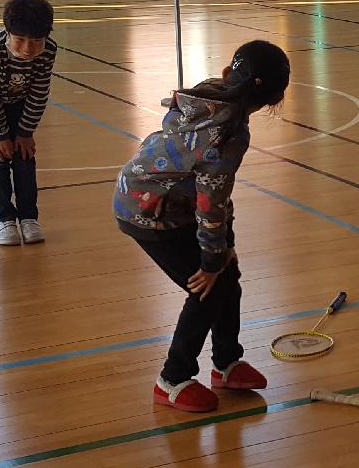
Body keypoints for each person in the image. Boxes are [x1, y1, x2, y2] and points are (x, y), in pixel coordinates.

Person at [114, 40, 291, 412]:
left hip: (158, 196)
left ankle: (226, 364)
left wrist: (224, 247)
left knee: (229, 273)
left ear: (229, 73)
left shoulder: (208, 94)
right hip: (148, 210)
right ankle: (172, 379)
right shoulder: (228, 134)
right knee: (208, 287)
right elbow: (210, 203)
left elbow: (216, 198)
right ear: (275, 100)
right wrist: (211, 261)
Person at [0, 0, 58, 247]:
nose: (28, 49)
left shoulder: (48, 50)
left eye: (36, 42)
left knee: (25, 157)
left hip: (21, 99)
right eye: (20, 41)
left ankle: (29, 217)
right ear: (8, 32)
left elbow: (40, 92)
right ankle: (4, 219)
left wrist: (26, 132)